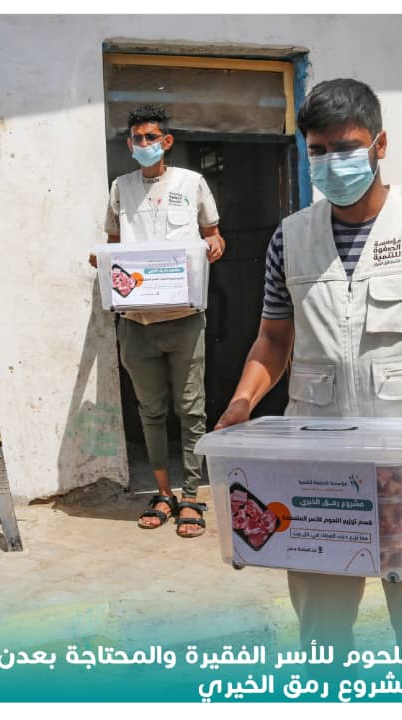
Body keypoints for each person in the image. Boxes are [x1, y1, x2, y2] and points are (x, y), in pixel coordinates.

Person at [215, 79, 402, 653]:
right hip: (317, 471)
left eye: (345, 147)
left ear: (380, 144)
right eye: (318, 151)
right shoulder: (289, 239)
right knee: (322, 635)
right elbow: (273, 339)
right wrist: (243, 401)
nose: (331, 162)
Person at [90, 104, 225, 538]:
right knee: (150, 411)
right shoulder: (121, 188)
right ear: (129, 145)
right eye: (137, 138)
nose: (144, 144)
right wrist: (102, 260)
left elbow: (213, 235)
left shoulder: (192, 183)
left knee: (191, 409)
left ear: (166, 141)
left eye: (152, 137)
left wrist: (215, 246)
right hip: (137, 321)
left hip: (185, 318)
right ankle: (164, 494)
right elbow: (113, 244)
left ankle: (192, 495)